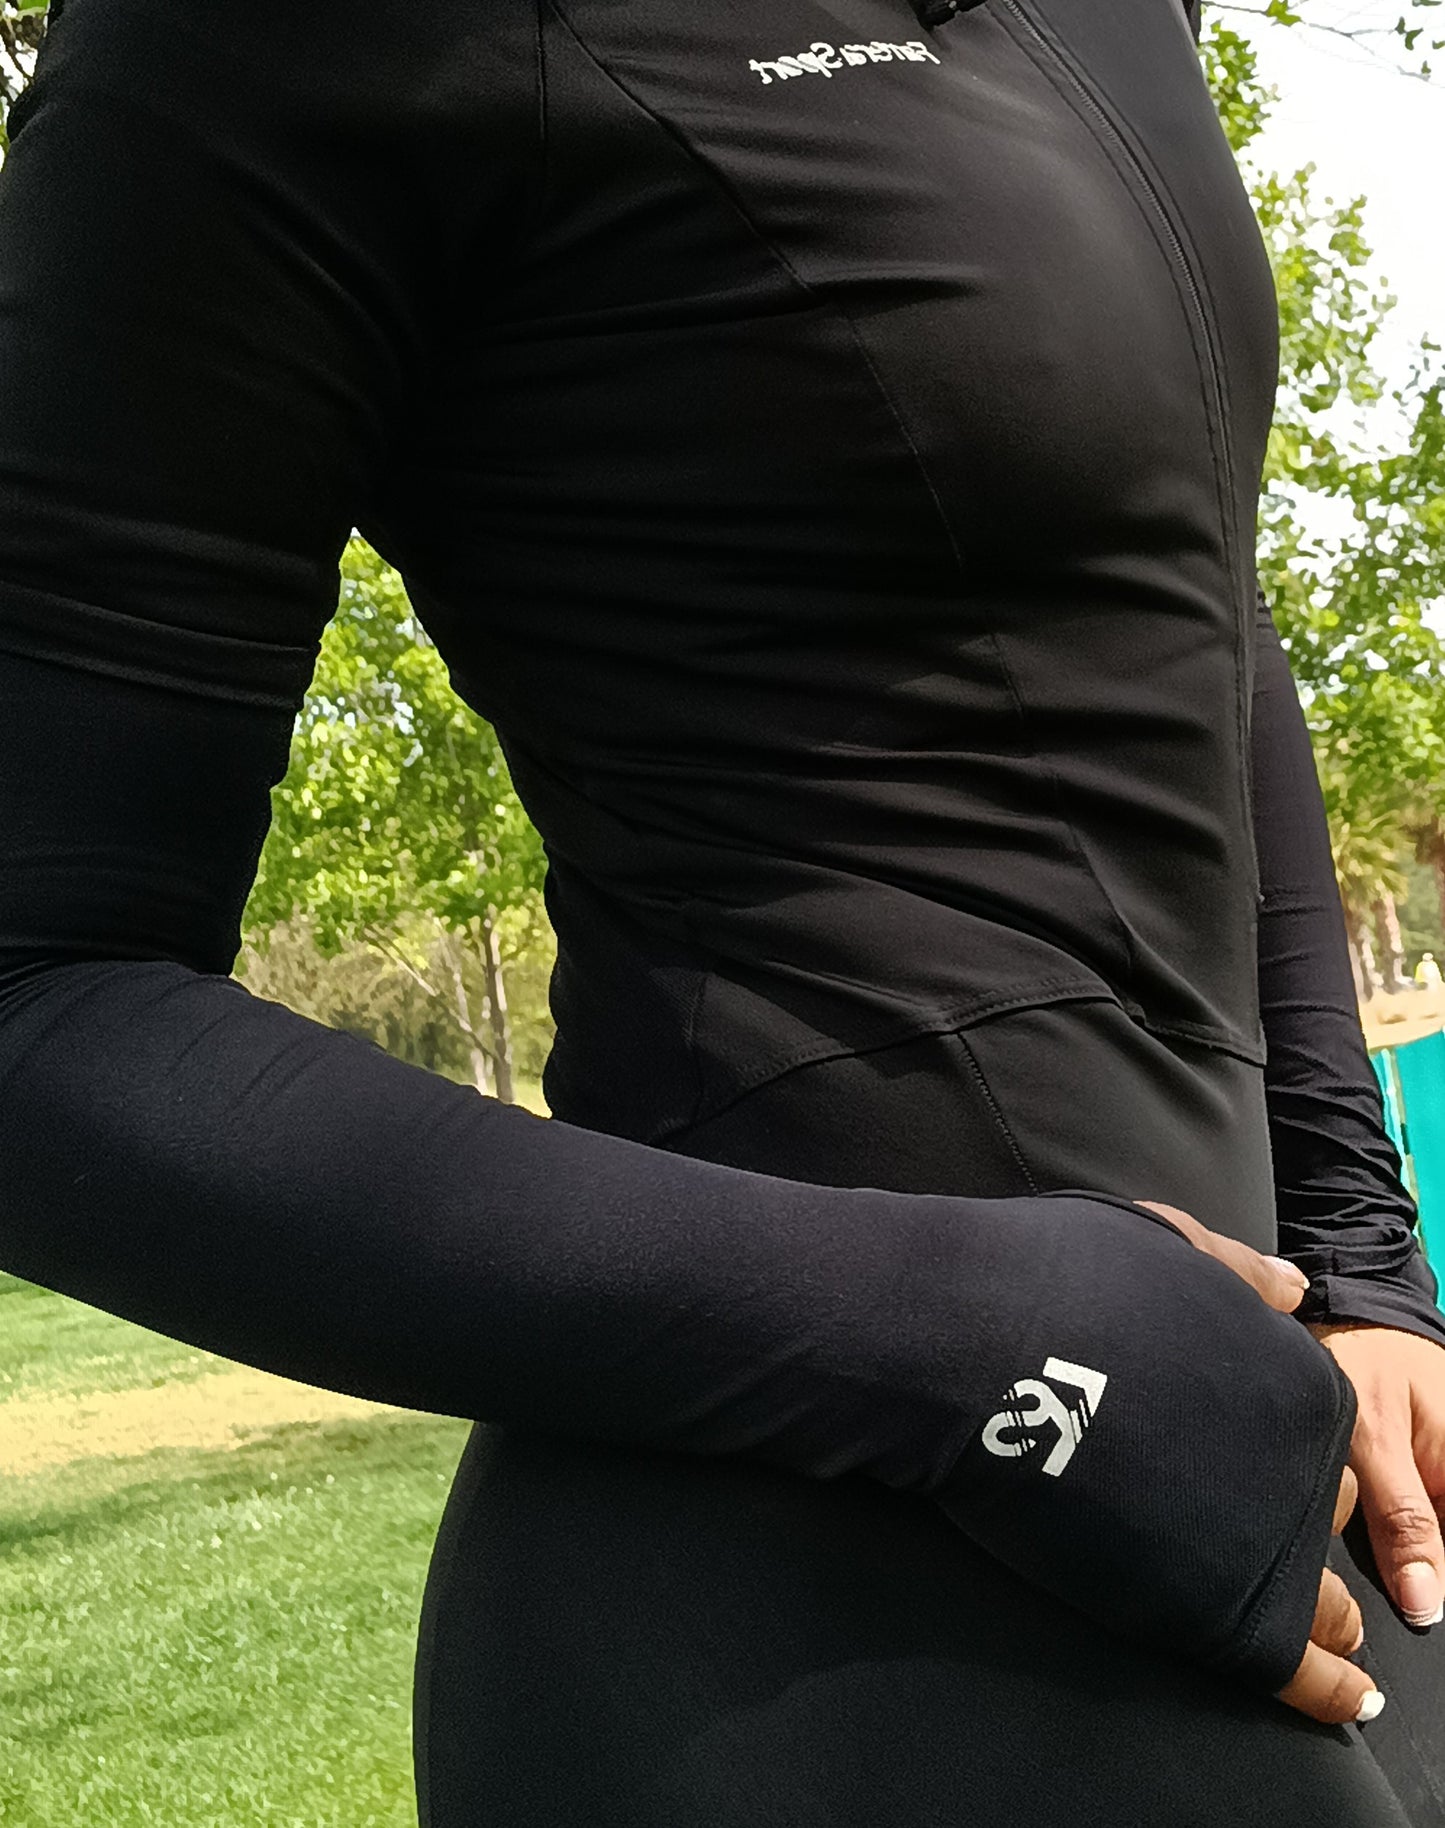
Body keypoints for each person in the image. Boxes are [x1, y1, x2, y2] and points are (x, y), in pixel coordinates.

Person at [3, 0, 1445, 1821]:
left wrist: (1362, 1264)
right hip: (832, 1568)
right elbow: (35, 989)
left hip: (1293, 1439)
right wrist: (986, 1353)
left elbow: (1192, 593)